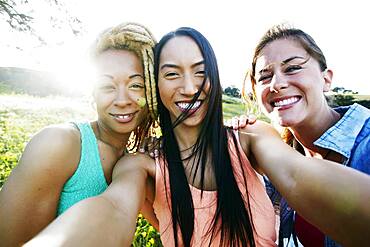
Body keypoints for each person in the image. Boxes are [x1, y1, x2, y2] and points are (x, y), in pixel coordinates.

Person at [26, 27, 370, 247]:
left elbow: (297, 174)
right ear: (155, 86)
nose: (189, 88)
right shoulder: (142, 163)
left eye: (201, 73)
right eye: (172, 74)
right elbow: (113, 208)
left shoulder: (249, 137)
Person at [0, 22, 158, 246]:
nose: (123, 100)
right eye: (107, 87)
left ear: (153, 91)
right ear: (92, 91)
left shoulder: (135, 161)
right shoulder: (58, 145)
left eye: (136, 86)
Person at [244, 24, 370, 247]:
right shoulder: (276, 159)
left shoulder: (366, 146)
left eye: (292, 68)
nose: (277, 84)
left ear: (326, 79)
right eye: (265, 76)